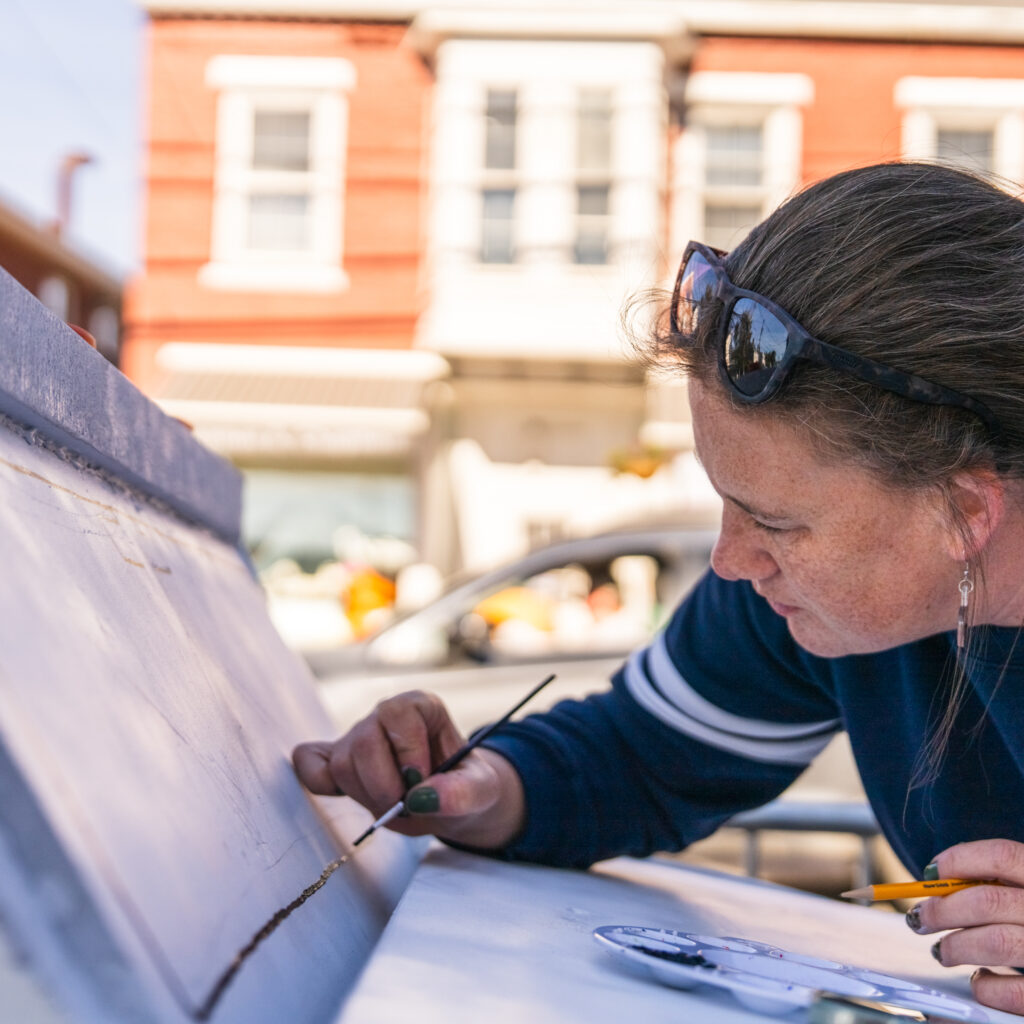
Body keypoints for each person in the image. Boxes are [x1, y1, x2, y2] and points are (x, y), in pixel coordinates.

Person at [293, 161, 1024, 1017]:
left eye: (777, 523)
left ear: (963, 509)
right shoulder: (795, 603)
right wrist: (485, 786)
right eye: (725, 502)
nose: (730, 559)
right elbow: (642, 759)